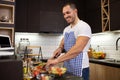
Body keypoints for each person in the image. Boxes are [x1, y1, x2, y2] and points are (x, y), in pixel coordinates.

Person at [46, 2, 92, 80]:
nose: (66, 16)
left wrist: (57, 60)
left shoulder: (84, 26)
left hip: (80, 68)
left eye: (68, 12)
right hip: (67, 67)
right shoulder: (66, 29)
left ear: (75, 11)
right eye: (64, 14)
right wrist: (59, 49)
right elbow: (63, 44)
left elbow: (77, 49)